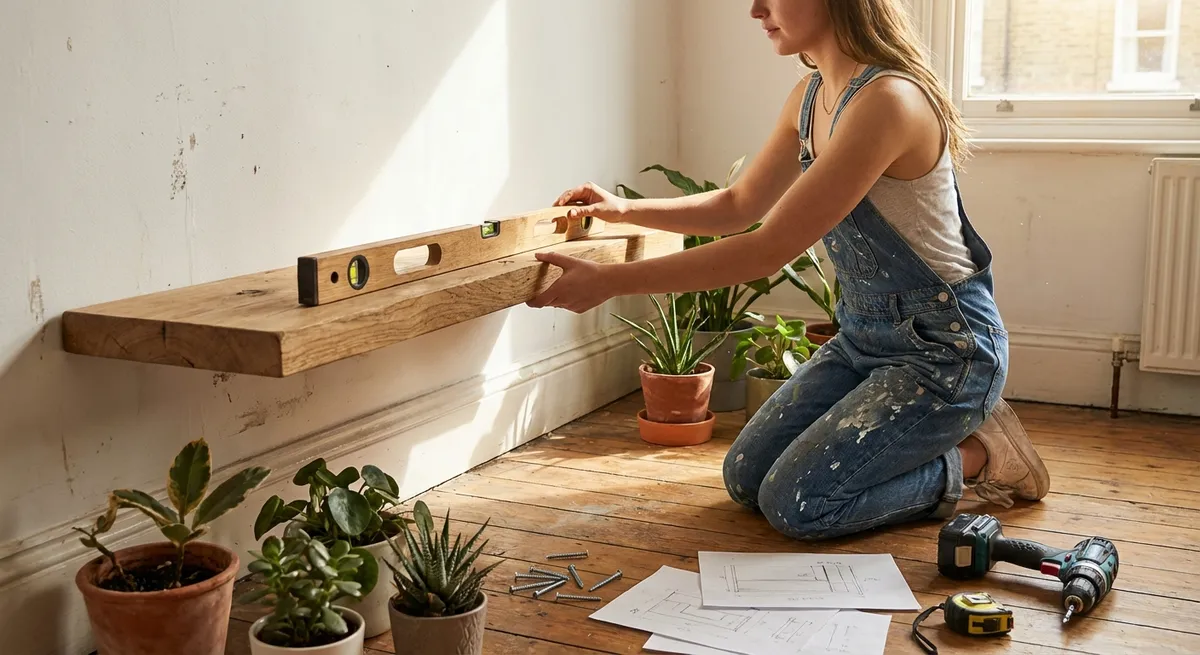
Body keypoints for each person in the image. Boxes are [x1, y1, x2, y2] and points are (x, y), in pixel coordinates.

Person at [525, 0, 1050, 541]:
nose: (756, 10)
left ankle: (980, 456)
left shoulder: (888, 101)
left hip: (945, 351)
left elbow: (764, 250)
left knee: (799, 505)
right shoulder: (811, 96)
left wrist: (610, 282)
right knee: (745, 477)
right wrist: (624, 209)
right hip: (863, 338)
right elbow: (738, 206)